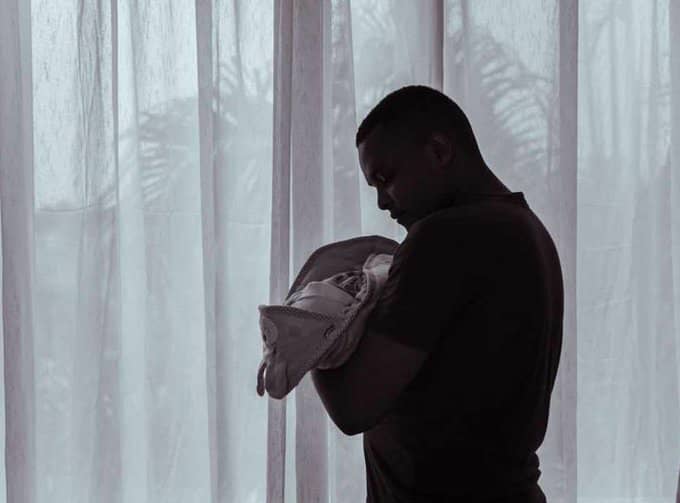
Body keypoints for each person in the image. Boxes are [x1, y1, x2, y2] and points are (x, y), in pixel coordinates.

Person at [310, 85, 564, 503]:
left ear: (440, 150)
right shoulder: (529, 229)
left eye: (385, 178)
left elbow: (353, 409)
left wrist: (310, 325)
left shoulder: (443, 238)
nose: (381, 202)